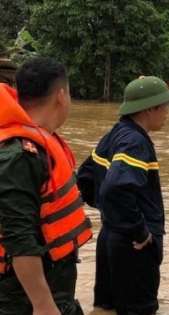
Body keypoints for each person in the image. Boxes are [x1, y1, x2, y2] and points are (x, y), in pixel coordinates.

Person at [76, 75, 169, 315]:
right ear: (149, 109)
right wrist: (139, 229)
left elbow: (85, 178)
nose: (167, 112)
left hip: (111, 236)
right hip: (135, 244)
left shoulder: (115, 134)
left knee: (106, 307)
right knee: (138, 309)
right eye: (164, 106)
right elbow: (115, 188)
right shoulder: (135, 142)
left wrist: (110, 214)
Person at [0, 57, 93, 315]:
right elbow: (18, 238)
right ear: (62, 95)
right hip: (24, 301)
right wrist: (43, 305)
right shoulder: (22, 155)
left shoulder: (40, 144)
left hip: (54, 290)